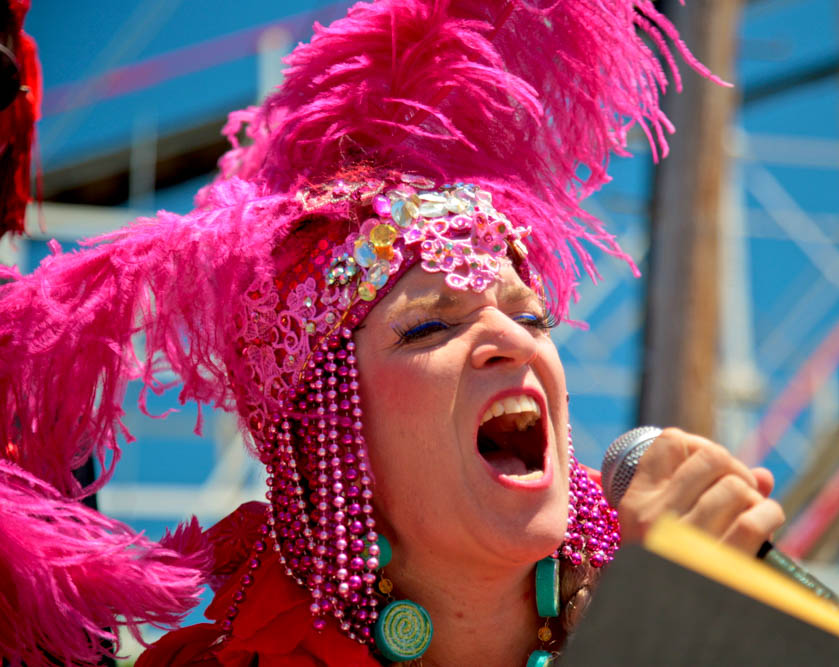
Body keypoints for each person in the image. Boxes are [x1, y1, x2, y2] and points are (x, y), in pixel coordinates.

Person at [0, 1, 783, 665]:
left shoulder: (703, 611)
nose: (511, 340)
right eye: (428, 325)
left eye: (529, 314)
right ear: (326, 436)